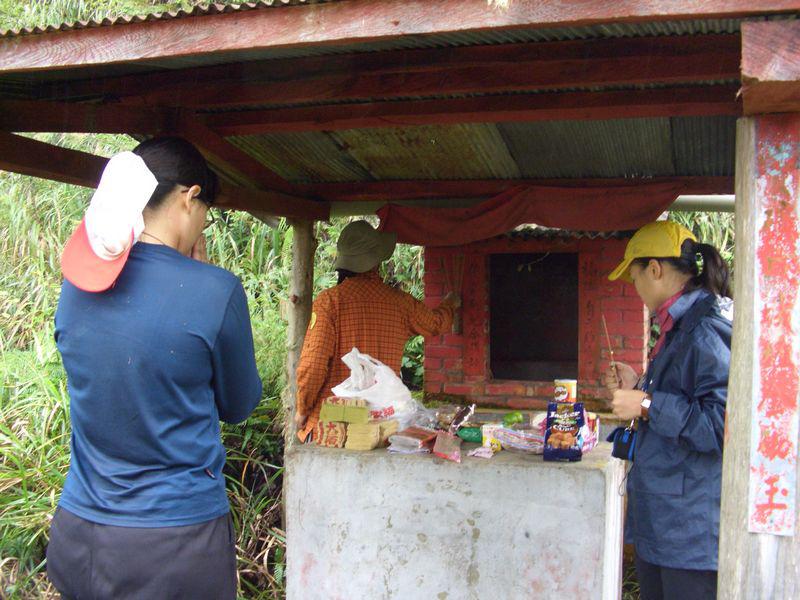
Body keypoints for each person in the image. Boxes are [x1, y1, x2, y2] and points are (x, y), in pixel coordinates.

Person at [47, 137, 262, 599]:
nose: (202, 226)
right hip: (175, 546)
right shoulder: (217, 291)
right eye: (205, 213)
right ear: (190, 197)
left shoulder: (78, 282)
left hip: (79, 535)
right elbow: (239, 405)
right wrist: (205, 283)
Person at [603, 220, 732, 600]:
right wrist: (640, 386)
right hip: (666, 521)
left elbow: (721, 424)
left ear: (655, 270)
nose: (636, 288)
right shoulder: (679, 326)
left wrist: (646, 404)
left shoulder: (705, 328)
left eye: (635, 277)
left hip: (690, 533)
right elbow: (684, 395)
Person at [294, 220, 459, 442]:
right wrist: (451, 304)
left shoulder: (329, 303)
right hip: (382, 427)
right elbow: (436, 323)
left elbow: (313, 365)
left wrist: (302, 409)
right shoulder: (400, 303)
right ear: (376, 261)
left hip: (333, 427)